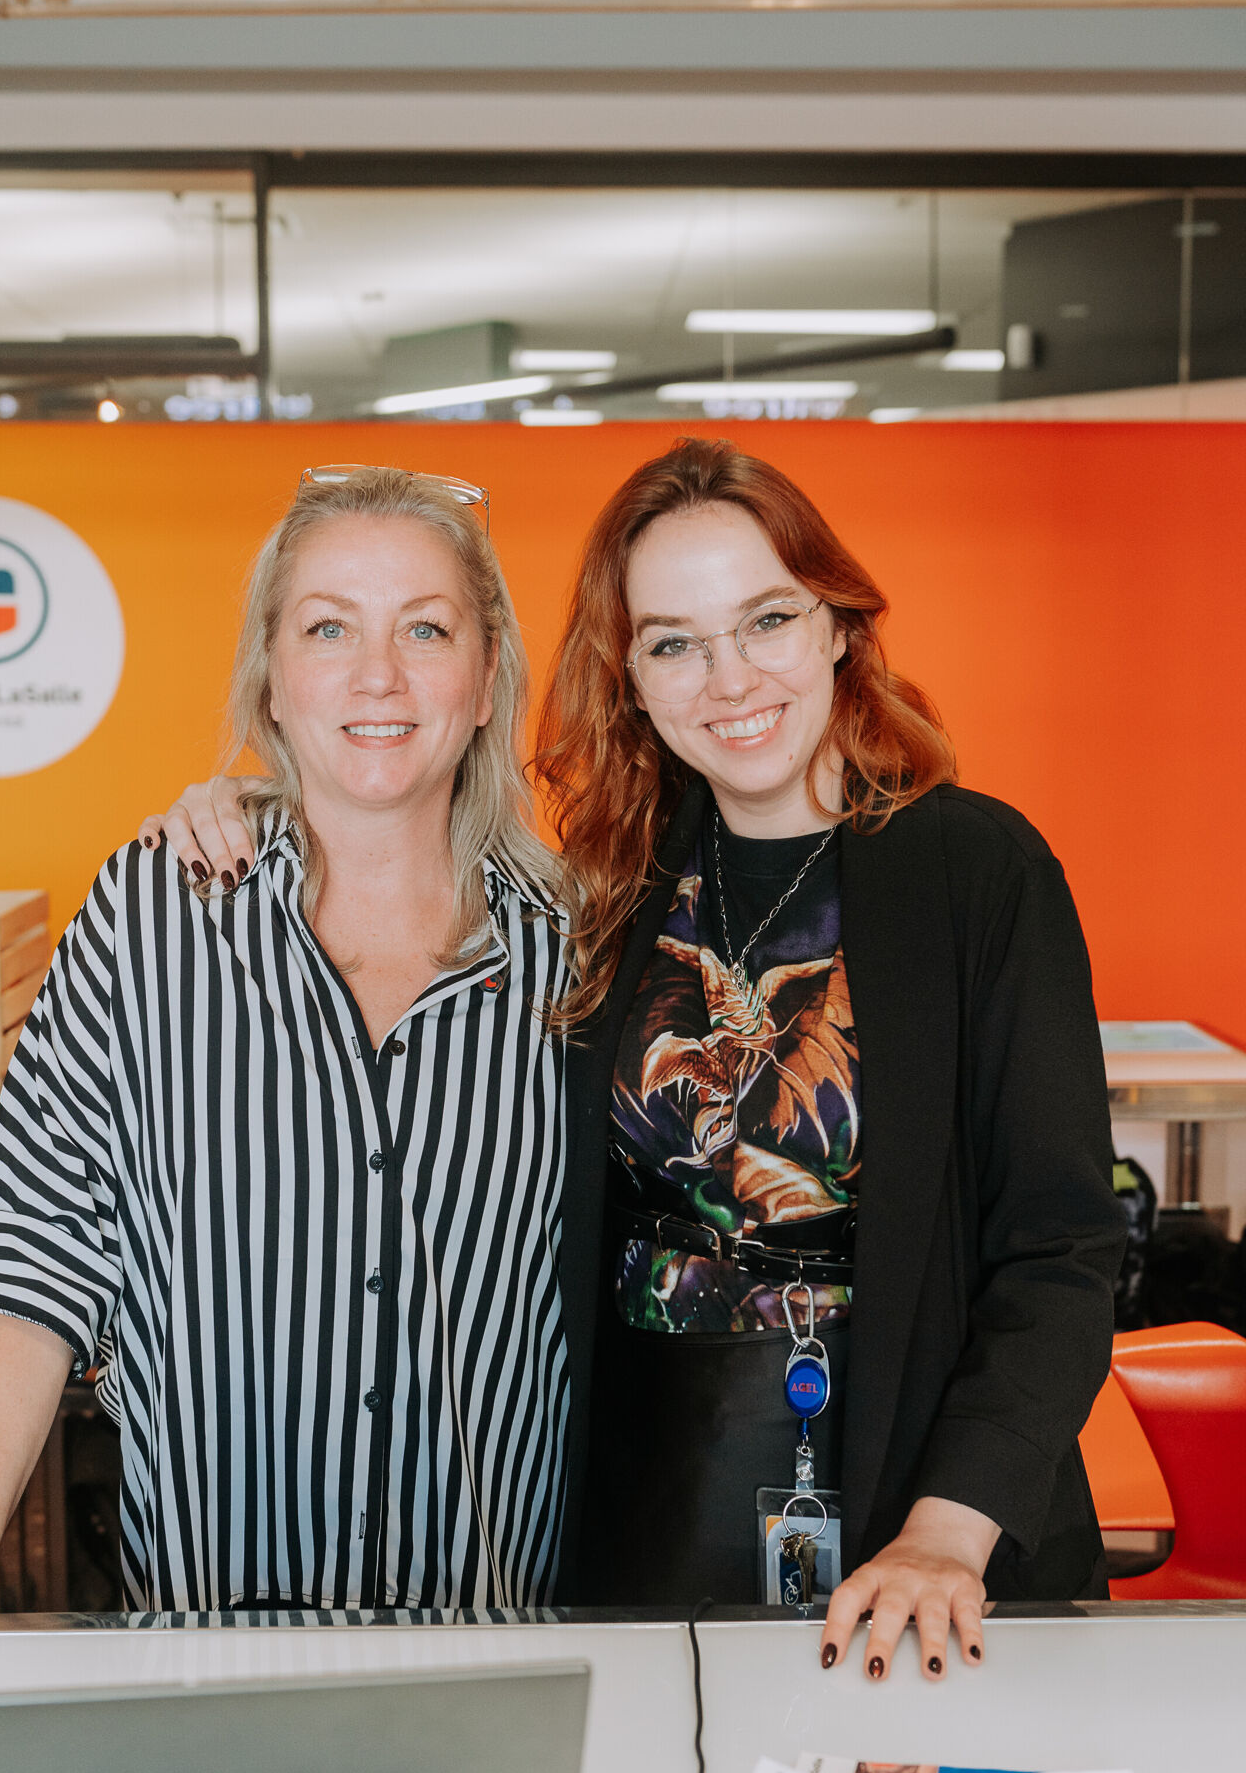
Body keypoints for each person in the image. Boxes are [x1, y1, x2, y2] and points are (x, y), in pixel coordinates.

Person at [122, 438, 1125, 1683]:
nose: (728, 676)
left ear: (836, 628)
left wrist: (943, 1531)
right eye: (672, 640)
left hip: (925, 1528)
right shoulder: (602, 890)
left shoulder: (978, 871)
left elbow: (1062, 1248)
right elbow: (386, 827)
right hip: (647, 1519)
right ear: (630, 676)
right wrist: (246, 807)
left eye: (765, 618)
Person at [0, 464, 580, 1670]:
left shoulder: (577, 958)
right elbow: (35, 1243)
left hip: (497, 1647)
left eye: (426, 629)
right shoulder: (153, 918)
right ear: (273, 679)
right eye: (328, 627)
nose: (377, 674)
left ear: (487, 676)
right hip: (205, 1640)